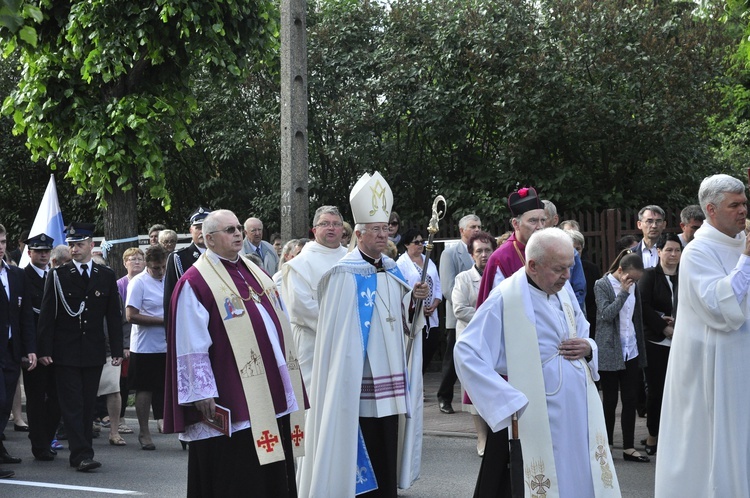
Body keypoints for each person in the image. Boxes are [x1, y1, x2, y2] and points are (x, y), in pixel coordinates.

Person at [455, 228, 620, 497]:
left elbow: (582, 331)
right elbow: (466, 352)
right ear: (533, 265)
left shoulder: (562, 291)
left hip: (577, 412)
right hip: (536, 412)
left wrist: (589, 347)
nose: (567, 276)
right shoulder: (505, 298)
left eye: (570, 267)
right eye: (559, 269)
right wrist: (505, 401)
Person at [298, 171, 430, 497]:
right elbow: (339, 331)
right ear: (358, 234)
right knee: (365, 435)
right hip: (360, 378)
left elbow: (405, 320)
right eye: (376, 230)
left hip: (391, 374)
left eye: (386, 229)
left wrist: (415, 301)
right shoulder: (343, 274)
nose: (384, 235)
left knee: (387, 437)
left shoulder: (393, 269)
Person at [163, 209, 306, 498]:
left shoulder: (252, 271)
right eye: (229, 230)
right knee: (237, 473)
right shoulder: (196, 281)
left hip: (268, 389)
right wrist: (202, 391)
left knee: (269, 472)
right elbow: (190, 340)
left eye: (238, 227)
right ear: (210, 239)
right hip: (230, 392)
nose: (238, 233)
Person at [655, 174, 750, 496]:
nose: (743, 210)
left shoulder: (741, 241)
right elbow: (719, 306)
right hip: (713, 363)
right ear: (710, 209)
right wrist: (747, 259)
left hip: (743, 358)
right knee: (715, 440)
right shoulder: (698, 252)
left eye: (744, 203)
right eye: (734, 205)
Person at [36, 222, 123, 472]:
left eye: (79, 244)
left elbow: (113, 317)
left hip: (93, 351)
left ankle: (84, 451)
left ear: (91, 245)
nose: (74, 249)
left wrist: (117, 350)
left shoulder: (105, 276)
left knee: (86, 404)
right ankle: (81, 455)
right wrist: (45, 350)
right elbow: (47, 317)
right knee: (72, 404)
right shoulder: (58, 276)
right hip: (66, 352)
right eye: (72, 245)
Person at [281, 205, 347, 389]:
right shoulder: (300, 263)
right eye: (325, 224)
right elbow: (299, 306)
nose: (331, 228)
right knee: (314, 394)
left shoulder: (353, 258)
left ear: (343, 229)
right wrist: (338, 329)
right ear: (315, 229)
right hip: (313, 341)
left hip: (349, 342)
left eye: (336, 224)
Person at [594, 251, 649, 463]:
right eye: (630, 278)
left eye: (636, 280)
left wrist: (641, 351)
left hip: (631, 349)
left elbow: (637, 318)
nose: (633, 282)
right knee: (609, 401)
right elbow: (606, 314)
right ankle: (607, 444)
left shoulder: (634, 287)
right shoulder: (602, 284)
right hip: (609, 350)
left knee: (630, 399)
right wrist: (623, 293)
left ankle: (629, 447)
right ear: (620, 271)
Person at [451, 231, 496, 456]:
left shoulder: (500, 276)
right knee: (473, 391)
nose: (484, 254)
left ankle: (497, 435)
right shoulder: (464, 278)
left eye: (488, 250)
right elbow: (459, 309)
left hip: (494, 342)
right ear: (471, 254)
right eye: (479, 251)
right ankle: (482, 436)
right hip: (471, 342)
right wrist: (488, 315)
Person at [639, 233, 680, 456]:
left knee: (680, 391)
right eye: (669, 250)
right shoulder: (649, 276)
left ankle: (676, 435)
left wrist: (680, 324)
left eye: (677, 250)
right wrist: (663, 327)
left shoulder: (685, 276)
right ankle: (653, 435)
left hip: (682, 340)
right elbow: (643, 306)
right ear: (659, 252)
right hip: (656, 341)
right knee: (657, 391)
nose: (673, 255)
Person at [21, 233, 61, 462]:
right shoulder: (23, 277)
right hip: (34, 350)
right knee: (36, 399)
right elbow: (26, 318)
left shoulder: (54, 275)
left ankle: (46, 437)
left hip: (56, 349)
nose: (44, 255)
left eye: (47, 251)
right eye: (38, 251)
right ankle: (39, 444)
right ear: (30, 253)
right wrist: (32, 350)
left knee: (57, 398)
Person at [0, 224, 35, 478]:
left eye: (2, 241)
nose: (0, 246)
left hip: (11, 349)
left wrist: (29, 349)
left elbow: (24, 317)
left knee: (5, 404)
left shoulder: (15, 274)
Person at [437, 214, 481, 415]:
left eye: (479, 226)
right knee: (452, 360)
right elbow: (447, 288)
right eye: (472, 226)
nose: (477, 230)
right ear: (462, 230)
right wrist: (467, 304)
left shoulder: (483, 251)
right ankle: (444, 397)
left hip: (480, 314)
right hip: (459, 316)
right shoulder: (451, 254)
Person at [126, 244, 167, 449]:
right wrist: (162, 321)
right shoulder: (139, 282)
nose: (159, 271)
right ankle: (144, 432)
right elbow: (131, 315)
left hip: (167, 344)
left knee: (168, 387)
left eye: (162, 267)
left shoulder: (169, 279)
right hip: (145, 346)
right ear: (147, 266)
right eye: (155, 268)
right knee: (145, 389)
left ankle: (170, 423)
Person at [477, 186, 547, 304]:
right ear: (516, 224)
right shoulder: (501, 258)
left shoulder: (550, 250)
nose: (540, 226)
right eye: (533, 221)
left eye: (543, 220)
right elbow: (495, 305)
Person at [397, 228, 442, 375]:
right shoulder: (401, 264)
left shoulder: (428, 261)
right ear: (406, 245)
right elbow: (401, 290)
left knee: (431, 345)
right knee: (416, 348)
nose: (420, 245)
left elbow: (437, 284)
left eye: (421, 241)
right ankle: (413, 381)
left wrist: (435, 304)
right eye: (416, 242)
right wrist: (416, 307)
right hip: (414, 313)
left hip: (431, 313)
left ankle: (419, 378)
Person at [115, 247, 144, 436]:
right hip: (127, 339)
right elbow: (119, 317)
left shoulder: (150, 282)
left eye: (140, 258)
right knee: (123, 383)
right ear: (125, 263)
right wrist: (124, 344)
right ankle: (120, 418)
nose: (137, 262)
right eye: (132, 259)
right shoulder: (119, 285)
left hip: (145, 339)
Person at [163, 207, 210, 320]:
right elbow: (170, 299)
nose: (202, 232)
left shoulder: (221, 256)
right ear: (191, 231)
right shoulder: (178, 258)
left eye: (205, 227)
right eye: (198, 228)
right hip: (190, 320)